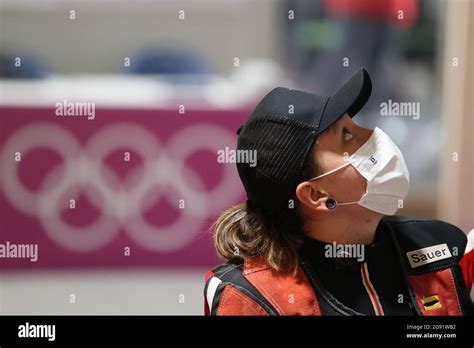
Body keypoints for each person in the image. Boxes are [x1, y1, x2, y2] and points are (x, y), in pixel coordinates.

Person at [204, 68, 474, 316]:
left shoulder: (447, 249)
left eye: (356, 124)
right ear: (316, 195)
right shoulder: (250, 297)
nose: (372, 135)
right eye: (347, 136)